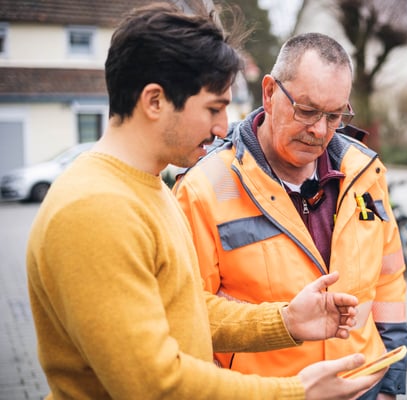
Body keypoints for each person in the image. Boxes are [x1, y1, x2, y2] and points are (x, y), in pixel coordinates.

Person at [26, 3, 387, 399]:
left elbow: (186, 311)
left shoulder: (148, 188)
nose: (221, 128)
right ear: (155, 101)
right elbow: (153, 384)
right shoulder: (95, 209)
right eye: (214, 109)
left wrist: (284, 320)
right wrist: (296, 393)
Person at [173, 32, 407, 399]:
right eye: (307, 109)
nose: (319, 130)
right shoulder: (206, 186)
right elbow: (188, 315)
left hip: (362, 386)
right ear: (269, 93)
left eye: (334, 115)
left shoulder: (365, 173)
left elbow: (389, 279)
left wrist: (389, 383)